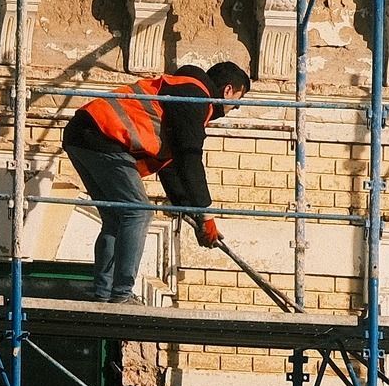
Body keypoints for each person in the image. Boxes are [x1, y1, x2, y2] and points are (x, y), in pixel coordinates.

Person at [61, 60, 250, 304]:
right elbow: (189, 157)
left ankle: (104, 293)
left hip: (83, 135)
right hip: (102, 136)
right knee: (138, 212)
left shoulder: (179, 90)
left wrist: (187, 208)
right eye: (236, 101)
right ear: (227, 91)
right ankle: (121, 294)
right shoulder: (196, 97)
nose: (232, 109)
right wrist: (206, 215)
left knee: (115, 218)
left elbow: (171, 165)